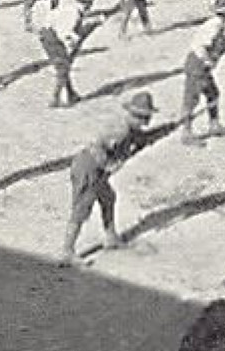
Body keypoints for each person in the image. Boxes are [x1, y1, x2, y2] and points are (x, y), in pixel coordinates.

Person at [59, 92, 168, 263]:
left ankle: (111, 237)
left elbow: (141, 139)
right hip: (89, 167)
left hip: (97, 170)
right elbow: (97, 146)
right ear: (135, 116)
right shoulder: (121, 130)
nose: (147, 123)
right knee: (81, 208)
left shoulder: (130, 129)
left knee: (108, 197)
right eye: (144, 118)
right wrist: (108, 165)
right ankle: (67, 251)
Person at [179, 0, 225, 144]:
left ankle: (214, 125)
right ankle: (186, 133)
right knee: (191, 99)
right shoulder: (215, 25)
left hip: (200, 64)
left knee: (213, 93)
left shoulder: (219, 25)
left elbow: (218, 45)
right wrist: (208, 60)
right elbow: (200, 46)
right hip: (197, 64)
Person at [39, 0, 100, 107]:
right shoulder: (74, 14)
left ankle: (71, 94)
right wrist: (75, 41)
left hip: (49, 33)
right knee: (63, 67)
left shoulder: (72, 9)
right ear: (88, 3)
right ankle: (55, 99)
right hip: (52, 37)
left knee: (64, 66)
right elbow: (65, 33)